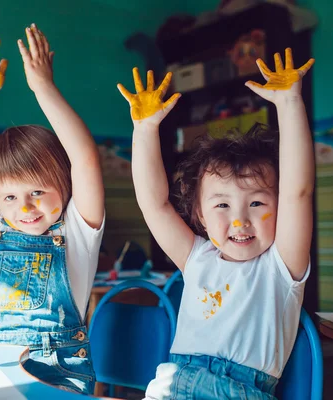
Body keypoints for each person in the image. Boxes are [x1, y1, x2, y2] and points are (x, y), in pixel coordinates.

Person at [118, 48, 314, 399]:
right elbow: (154, 204)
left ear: (280, 208)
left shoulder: (282, 266)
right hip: (172, 383)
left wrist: (289, 104)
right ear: (200, 217)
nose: (240, 219)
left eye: (256, 202)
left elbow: (298, 191)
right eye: (222, 204)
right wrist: (145, 130)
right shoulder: (197, 257)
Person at [0, 23, 105, 395]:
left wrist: (43, 87)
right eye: (10, 198)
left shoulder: (79, 229)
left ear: (63, 185)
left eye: (37, 191)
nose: (25, 207)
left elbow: (84, 159)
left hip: (56, 367)